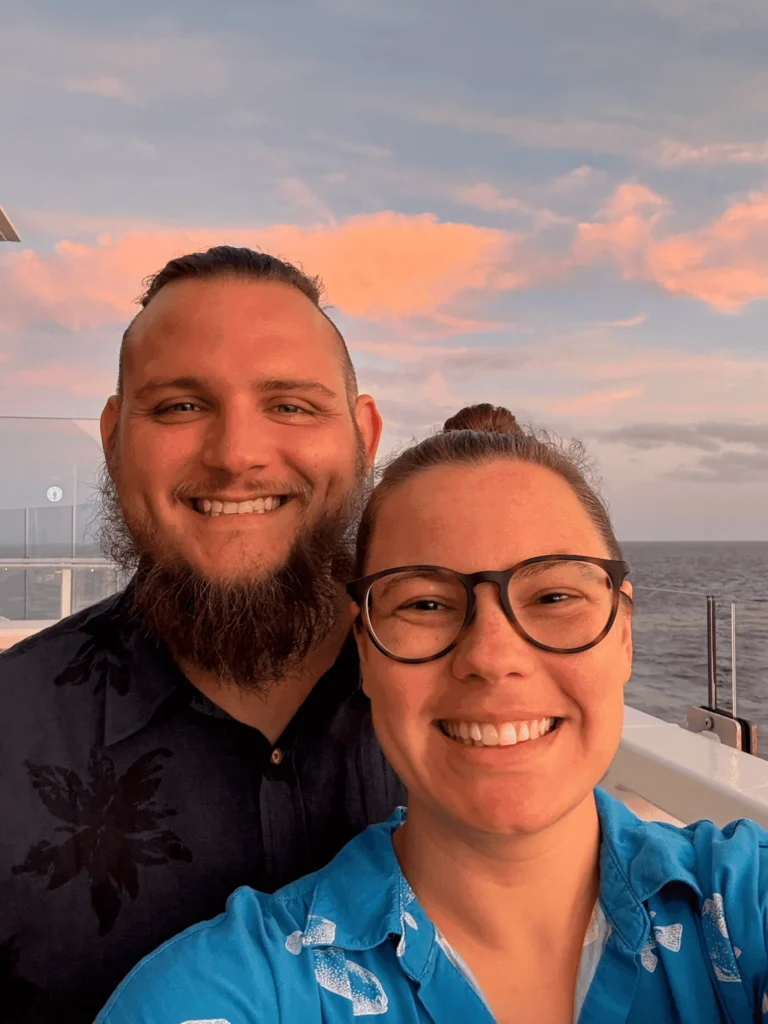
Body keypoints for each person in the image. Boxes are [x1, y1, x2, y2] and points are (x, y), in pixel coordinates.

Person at [96, 403, 768, 1024]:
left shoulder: (745, 906)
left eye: (555, 596)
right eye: (425, 604)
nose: (492, 655)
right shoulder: (235, 993)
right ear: (365, 651)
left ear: (623, 631)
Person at [0, 246, 405, 1024]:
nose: (236, 456)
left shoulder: (480, 717)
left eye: (290, 404)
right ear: (115, 438)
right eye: (181, 406)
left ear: (365, 436)